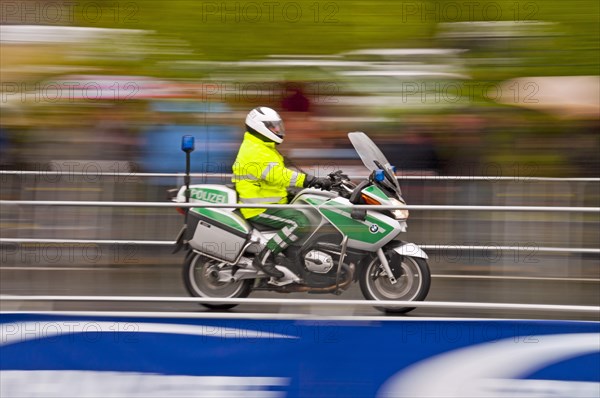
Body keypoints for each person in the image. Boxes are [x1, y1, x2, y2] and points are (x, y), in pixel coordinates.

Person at [232, 107, 331, 278]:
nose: (278, 130)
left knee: (308, 205)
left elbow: (273, 177)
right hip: (258, 208)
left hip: (270, 202)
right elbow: (278, 175)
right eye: (273, 127)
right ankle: (265, 258)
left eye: (278, 126)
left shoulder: (263, 147)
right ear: (259, 127)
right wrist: (309, 180)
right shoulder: (254, 150)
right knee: (299, 223)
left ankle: (294, 257)